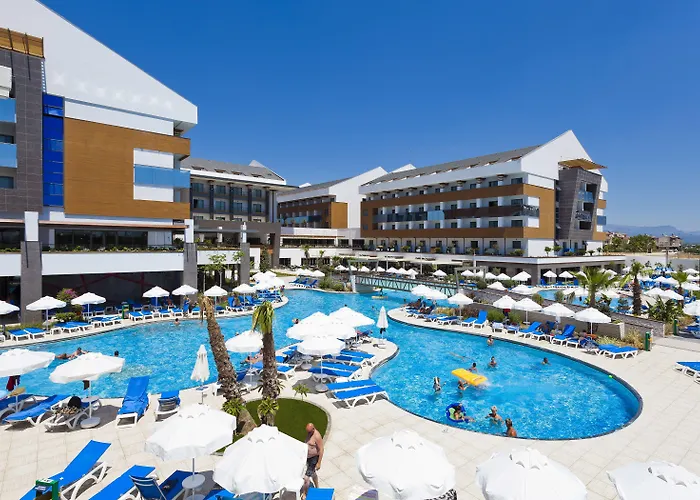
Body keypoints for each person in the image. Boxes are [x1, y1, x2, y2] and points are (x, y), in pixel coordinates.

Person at [302, 423, 324, 496]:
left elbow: (321, 449)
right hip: (308, 457)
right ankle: (317, 487)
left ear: (313, 429)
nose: (308, 433)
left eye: (309, 432)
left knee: (306, 478)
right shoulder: (309, 433)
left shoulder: (317, 436)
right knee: (313, 473)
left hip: (314, 458)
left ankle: (305, 494)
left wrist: (319, 463)